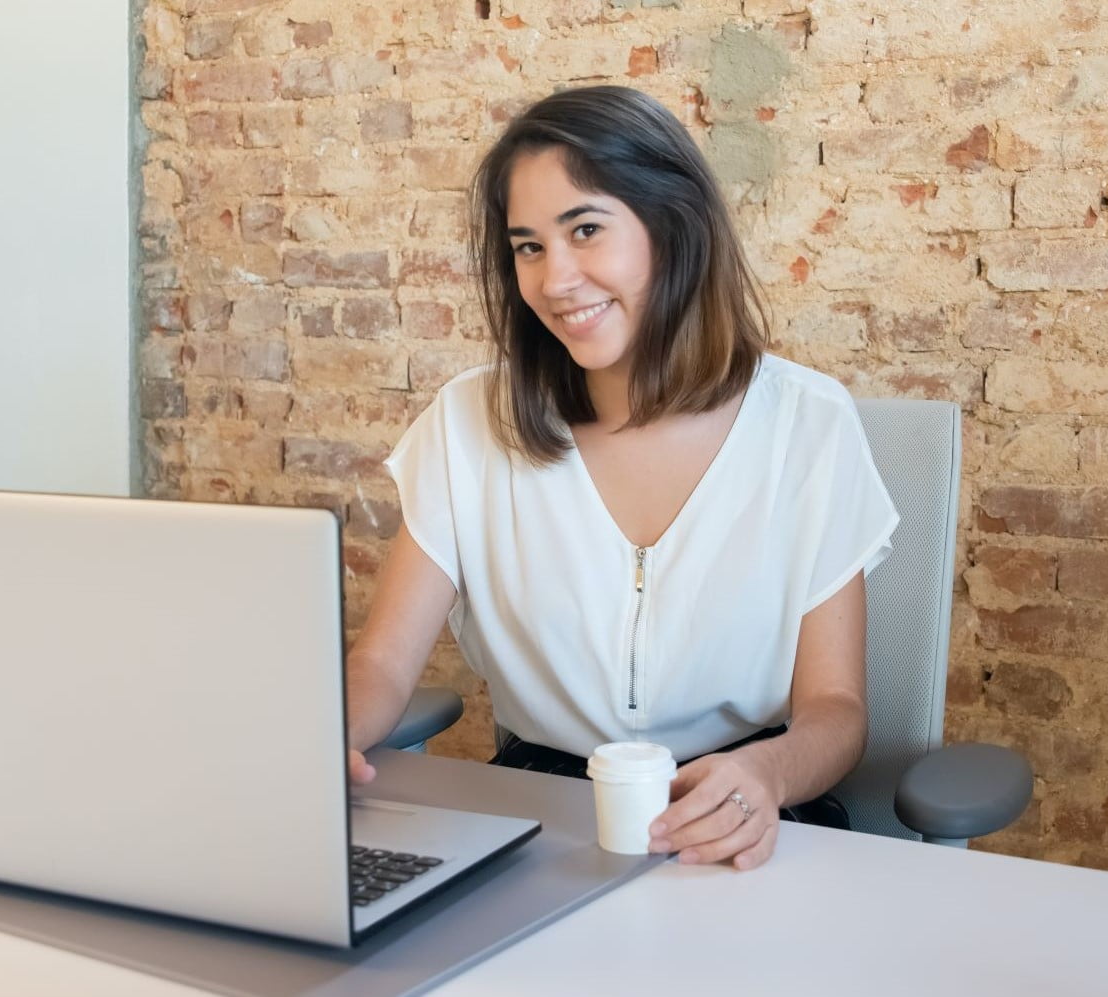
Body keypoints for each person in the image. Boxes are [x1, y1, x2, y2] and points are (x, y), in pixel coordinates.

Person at [344, 85, 898, 871]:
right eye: (528, 246)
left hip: (741, 804)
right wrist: (322, 739)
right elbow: (381, 664)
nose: (556, 279)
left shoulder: (809, 423)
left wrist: (766, 773)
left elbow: (836, 710)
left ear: (671, 228)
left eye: (587, 230)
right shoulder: (469, 421)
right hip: (546, 817)